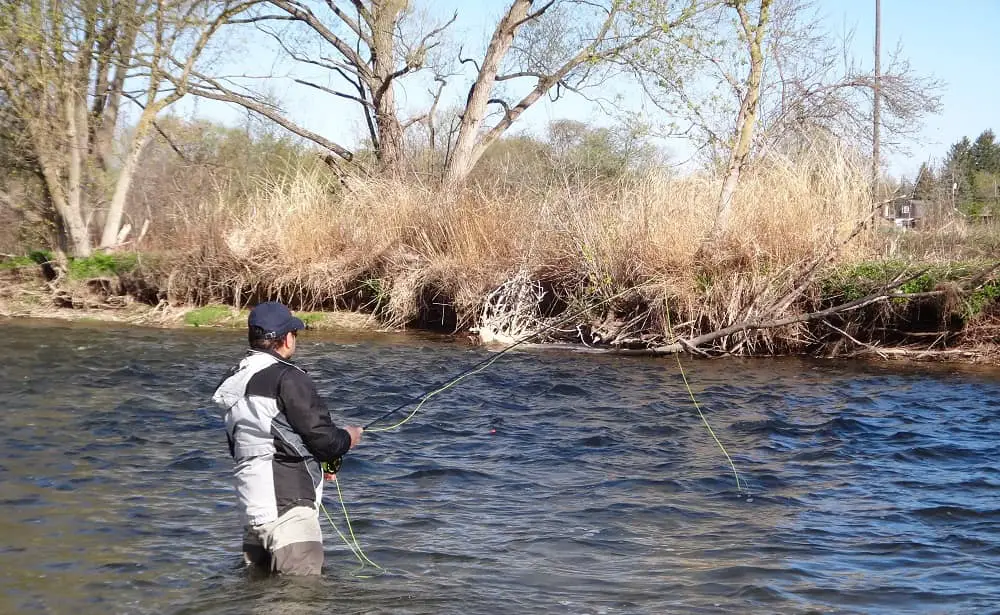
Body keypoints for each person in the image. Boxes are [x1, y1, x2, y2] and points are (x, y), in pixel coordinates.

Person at [213, 301, 364, 575]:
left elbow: (262, 440)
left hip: (252, 512)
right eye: (295, 333)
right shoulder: (289, 378)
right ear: (285, 338)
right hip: (288, 510)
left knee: (259, 598)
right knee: (299, 599)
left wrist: (317, 463)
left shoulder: (234, 379)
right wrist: (348, 437)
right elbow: (324, 440)